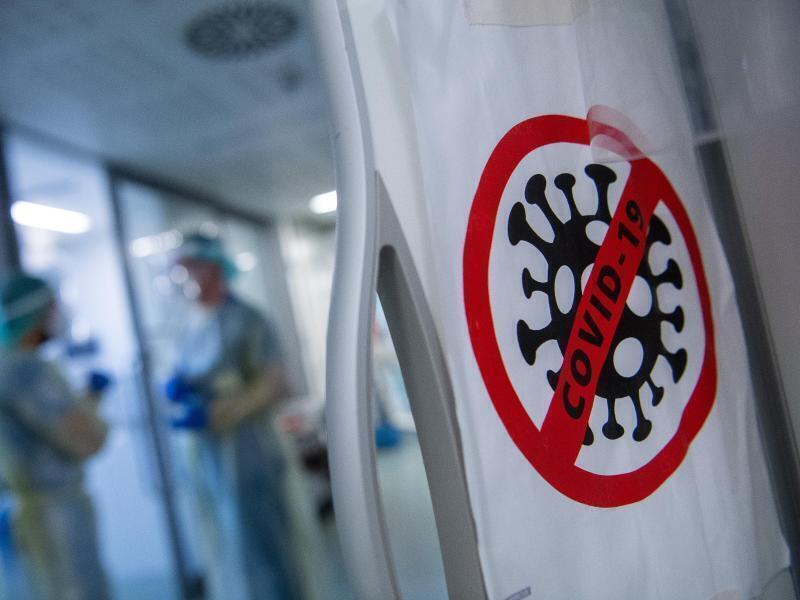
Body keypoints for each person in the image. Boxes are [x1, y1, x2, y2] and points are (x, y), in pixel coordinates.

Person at [167, 232, 299, 600]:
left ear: (212, 268)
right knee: (220, 543)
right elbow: (194, 373)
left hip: (247, 451)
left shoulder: (247, 319)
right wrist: (182, 389)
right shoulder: (188, 322)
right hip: (205, 453)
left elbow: (275, 384)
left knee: (261, 544)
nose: (184, 277)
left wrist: (220, 411)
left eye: (189, 267)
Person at [0, 272, 110, 600]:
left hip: (44, 508)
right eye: (52, 309)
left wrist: (89, 401)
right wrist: (93, 409)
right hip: (55, 513)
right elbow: (85, 440)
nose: (57, 317)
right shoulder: (23, 369)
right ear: (35, 314)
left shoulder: (19, 366)